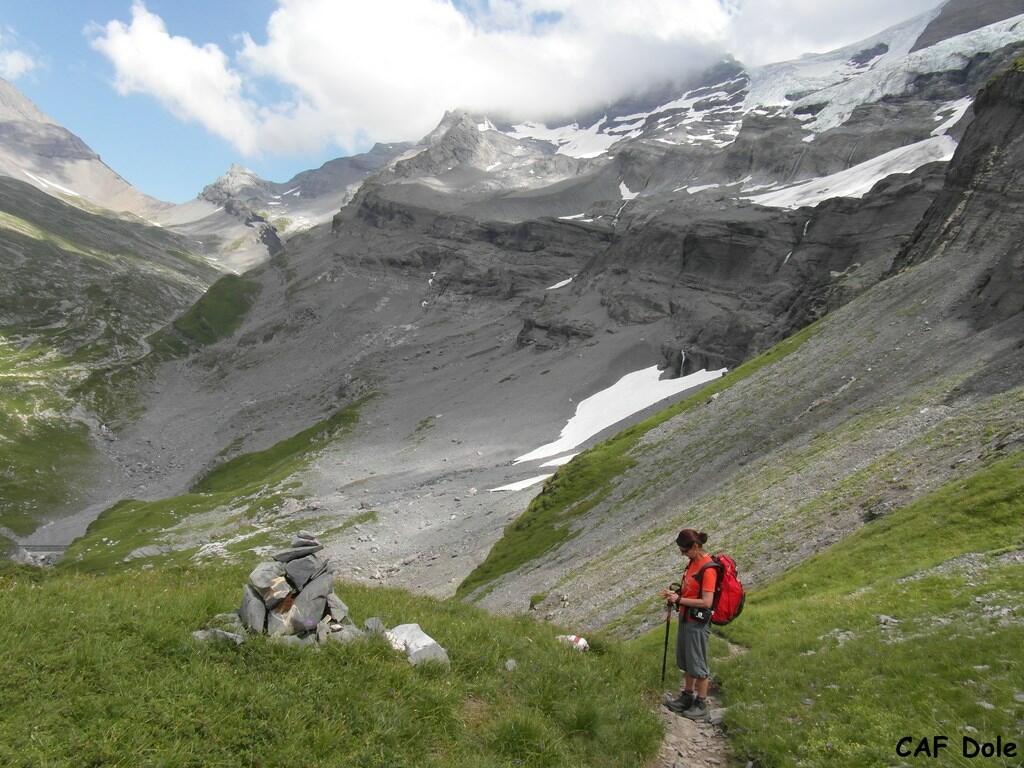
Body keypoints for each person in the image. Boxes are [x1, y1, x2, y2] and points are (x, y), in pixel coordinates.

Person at [659, 528, 719, 721]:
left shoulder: (708, 569)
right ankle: (687, 696)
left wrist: (679, 600)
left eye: (684, 550)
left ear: (695, 546)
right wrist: (676, 595)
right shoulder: (692, 563)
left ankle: (701, 704)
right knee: (687, 660)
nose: (682, 554)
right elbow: (690, 591)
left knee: (698, 663)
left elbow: (707, 602)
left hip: (698, 622)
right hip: (686, 618)